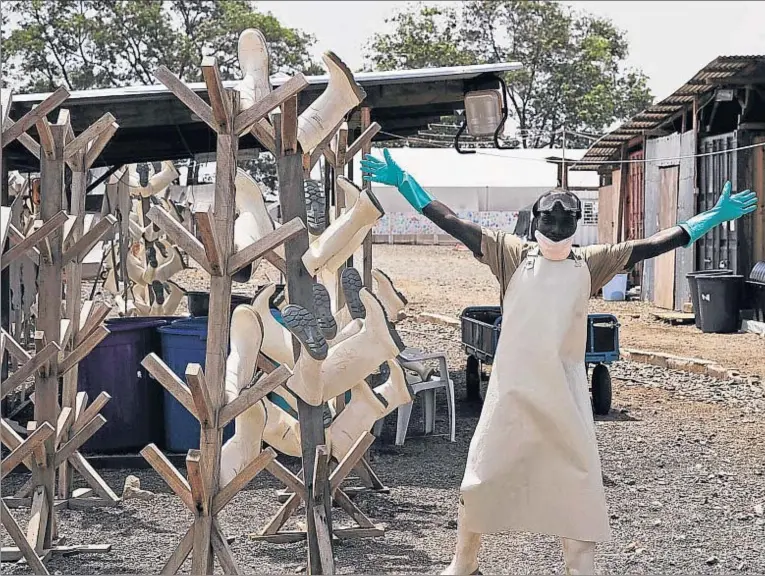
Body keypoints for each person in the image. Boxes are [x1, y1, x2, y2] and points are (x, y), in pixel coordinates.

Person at [361, 149, 757, 575]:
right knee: (481, 480)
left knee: (577, 488)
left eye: (564, 217)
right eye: (547, 216)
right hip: (510, 396)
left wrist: (708, 219)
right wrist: (404, 182)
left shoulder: (592, 262)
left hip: (565, 398)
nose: (554, 224)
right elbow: (451, 222)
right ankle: (464, 563)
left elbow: (655, 244)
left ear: (576, 223)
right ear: (534, 221)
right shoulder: (509, 253)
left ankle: (579, 568)